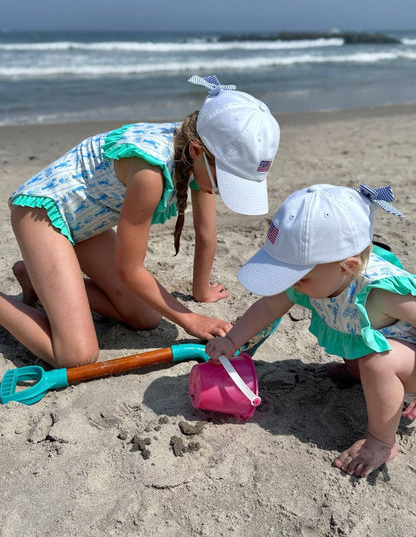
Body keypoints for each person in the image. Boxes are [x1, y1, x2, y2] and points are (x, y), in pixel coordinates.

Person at [0, 75, 280, 369]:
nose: (224, 190)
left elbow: (206, 233)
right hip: (43, 214)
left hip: (86, 224)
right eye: (228, 180)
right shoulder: (150, 173)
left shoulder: (196, 150)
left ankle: (37, 279)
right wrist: (190, 318)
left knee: (146, 318)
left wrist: (201, 290)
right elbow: (129, 268)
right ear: (198, 151)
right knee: (76, 355)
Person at [206, 183, 416, 478]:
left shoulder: (379, 292)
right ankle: (360, 375)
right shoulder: (318, 279)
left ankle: (382, 440)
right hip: (381, 344)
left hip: (409, 361)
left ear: (347, 266)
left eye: (298, 278)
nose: (292, 285)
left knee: (378, 362)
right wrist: (232, 340)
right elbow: (268, 307)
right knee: (367, 359)